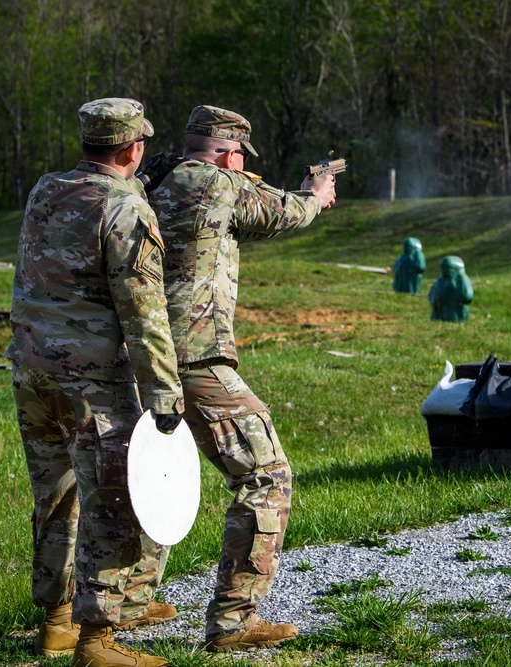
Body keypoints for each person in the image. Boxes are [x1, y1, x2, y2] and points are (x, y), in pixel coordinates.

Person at [145, 105, 336, 652]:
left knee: (153, 476)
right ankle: (233, 620)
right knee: (266, 474)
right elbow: (283, 213)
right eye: (237, 157)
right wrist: (315, 194)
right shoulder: (218, 184)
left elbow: (232, 223)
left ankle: (131, 604)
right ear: (230, 154)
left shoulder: (156, 180)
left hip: (143, 356)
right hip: (196, 357)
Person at [5, 97, 183, 667]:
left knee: (55, 498)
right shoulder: (127, 209)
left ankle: (55, 622)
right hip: (91, 382)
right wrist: (164, 394)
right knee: (112, 502)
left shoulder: (44, 189)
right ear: (133, 148)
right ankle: (97, 642)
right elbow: (144, 310)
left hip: (32, 370)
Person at [428, 255, 473, 323]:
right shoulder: (441, 280)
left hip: (454, 309)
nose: (445, 270)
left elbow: (467, 295)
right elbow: (432, 293)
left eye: (448, 268)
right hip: (440, 309)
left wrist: (452, 293)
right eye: (443, 268)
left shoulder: (461, 279)